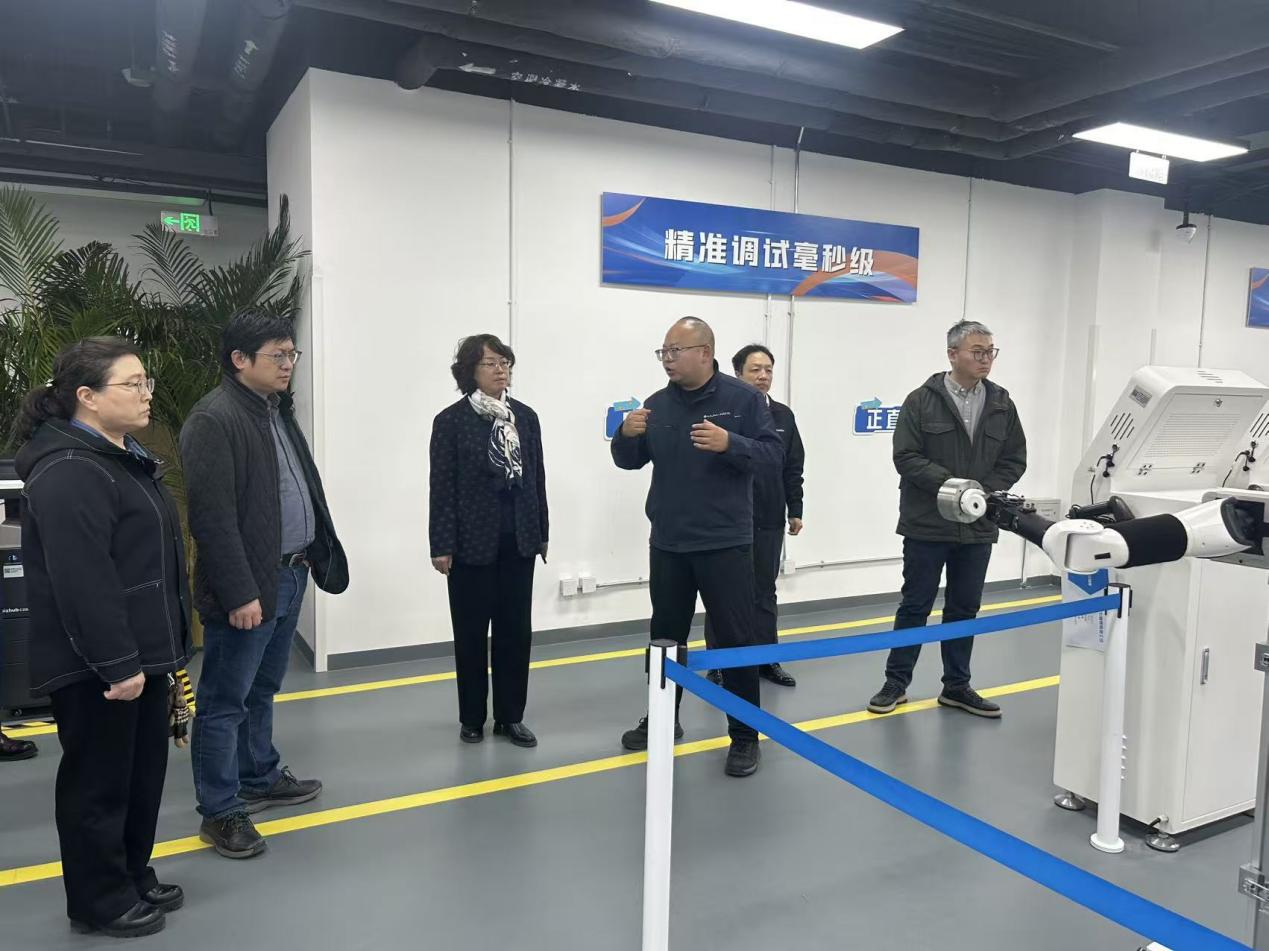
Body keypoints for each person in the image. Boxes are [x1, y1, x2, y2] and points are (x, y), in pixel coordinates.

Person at [15, 337, 191, 938]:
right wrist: (118, 664)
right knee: (99, 783)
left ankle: (130, 873)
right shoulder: (69, 469)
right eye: (132, 383)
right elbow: (83, 581)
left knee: (139, 777)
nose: (147, 394)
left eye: (146, 381)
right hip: (99, 662)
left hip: (143, 651)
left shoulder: (118, 456)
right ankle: (98, 899)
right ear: (87, 397)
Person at [181, 311, 348, 859]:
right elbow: (212, 519)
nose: (288, 364)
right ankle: (219, 810)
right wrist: (240, 593)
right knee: (223, 701)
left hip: (290, 573)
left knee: (261, 689)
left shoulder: (274, 410)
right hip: (251, 583)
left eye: (291, 354)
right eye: (278, 355)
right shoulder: (214, 418)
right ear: (239, 359)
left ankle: (258, 775)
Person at [612, 317, 783, 777]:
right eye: (663, 352)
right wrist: (625, 436)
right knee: (665, 639)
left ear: (704, 353)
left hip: (725, 542)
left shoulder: (743, 400)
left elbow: (772, 457)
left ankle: (744, 735)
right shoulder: (657, 404)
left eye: (676, 351)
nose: (667, 359)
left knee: (735, 640)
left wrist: (731, 443)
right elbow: (629, 461)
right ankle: (662, 718)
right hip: (669, 543)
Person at [868, 320, 1027, 719]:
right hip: (927, 523)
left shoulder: (1002, 403)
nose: (986, 359)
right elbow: (906, 457)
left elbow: (1014, 459)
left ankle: (957, 686)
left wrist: (982, 492)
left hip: (977, 523)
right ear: (953, 354)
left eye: (990, 351)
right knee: (915, 605)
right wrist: (955, 487)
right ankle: (896, 683)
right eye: (977, 352)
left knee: (964, 608)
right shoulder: (921, 401)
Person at [429, 334, 548, 748]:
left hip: (519, 540)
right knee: (471, 633)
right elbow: (441, 488)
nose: (501, 370)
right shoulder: (451, 421)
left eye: (505, 362)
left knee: (516, 632)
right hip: (469, 544)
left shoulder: (525, 418)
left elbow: (536, 478)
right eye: (491, 363)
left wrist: (542, 532)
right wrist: (441, 545)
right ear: (469, 372)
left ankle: (511, 717)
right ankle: (472, 718)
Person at [706, 343, 805, 689]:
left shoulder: (783, 416)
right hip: (728, 519)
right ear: (738, 374)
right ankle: (718, 663)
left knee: (764, 592)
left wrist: (795, 508)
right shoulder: (723, 415)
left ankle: (766, 659)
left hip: (768, 518)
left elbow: (793, 466)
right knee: (723, 593)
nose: (763, 376)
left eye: (768, 370)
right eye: (755, 370)